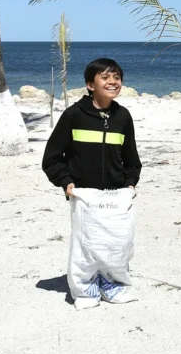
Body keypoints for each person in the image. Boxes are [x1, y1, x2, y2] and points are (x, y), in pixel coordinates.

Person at [42, 58, 142, 309]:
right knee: (87, 245)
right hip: (84, 194)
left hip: (117, 193)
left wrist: (130, 184)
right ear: (90, 85)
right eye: (105, 78)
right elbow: (51, 158)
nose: (113, 82)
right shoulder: (74, 115)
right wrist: (66, 182)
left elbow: (131, 158)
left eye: (117, 77)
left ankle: (113, 285)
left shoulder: (123, 116)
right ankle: (85, 290)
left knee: (118, 243)